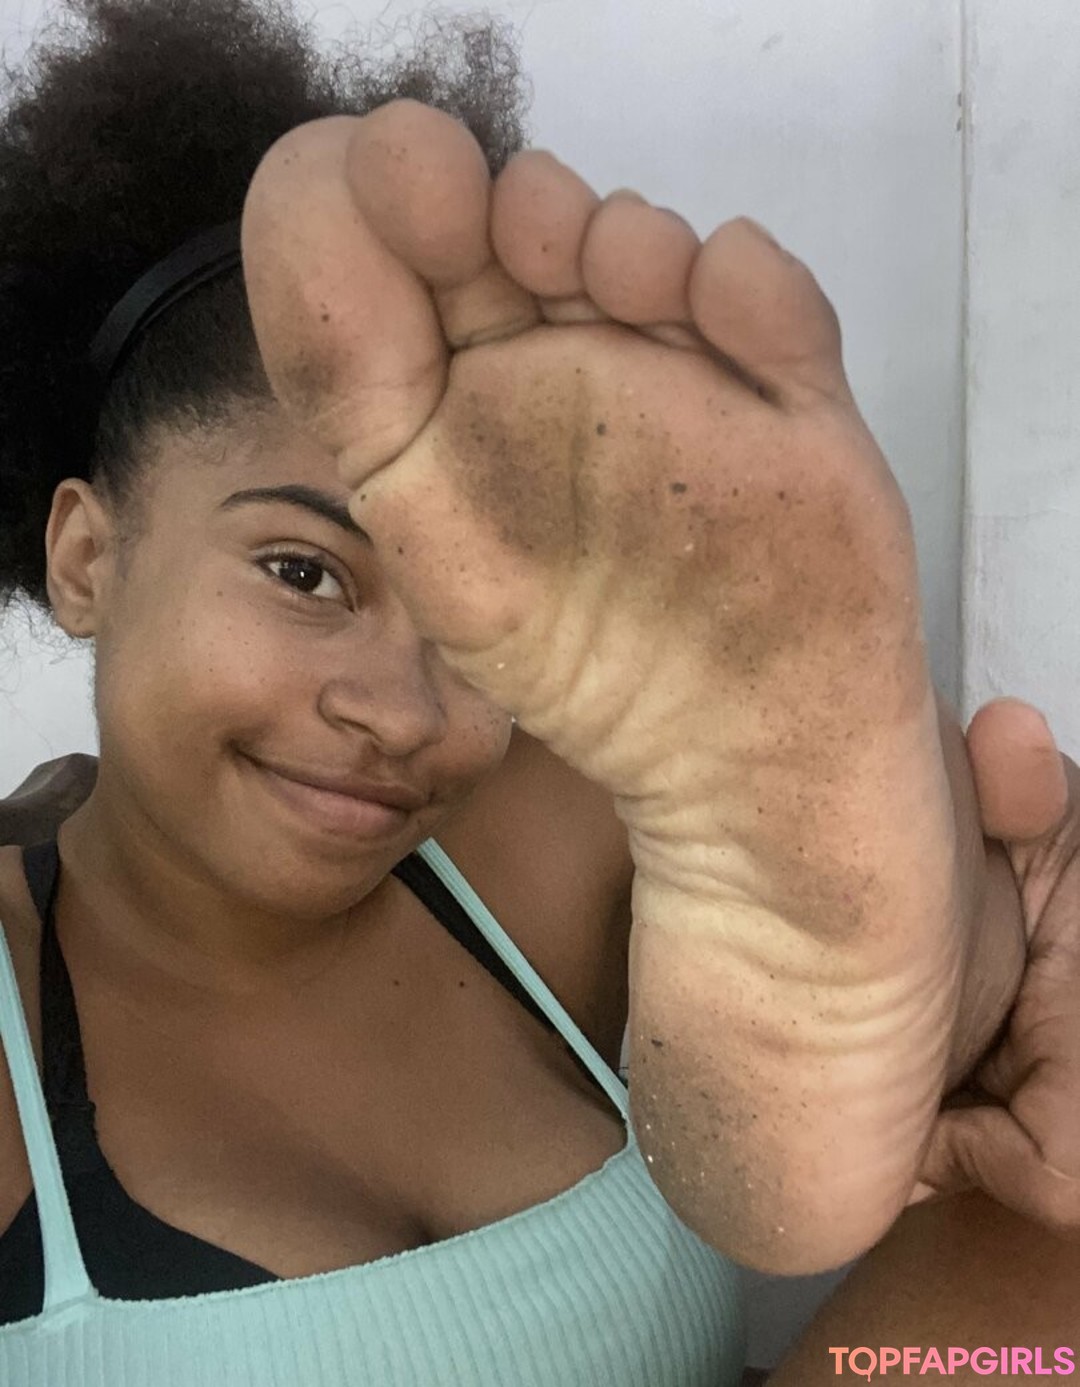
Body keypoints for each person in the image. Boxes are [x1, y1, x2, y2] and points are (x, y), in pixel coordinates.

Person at [0, 2, 1076, 1383]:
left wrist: (1014, 929)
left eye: (470, 628)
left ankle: (964, 962)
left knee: (1057, 1252)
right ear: (86, 558)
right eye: (304, 574)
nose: (404, 712)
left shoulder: (541, 833)